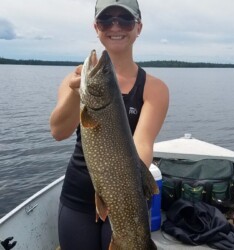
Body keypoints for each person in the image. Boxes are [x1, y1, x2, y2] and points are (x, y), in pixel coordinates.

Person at [49, 0, 169, 249]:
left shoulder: (155, 88)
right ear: (96, 27)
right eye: (106, 20)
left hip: (127, 198)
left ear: (138, 27)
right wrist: (75, 92)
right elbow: (58, 131)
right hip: (78, 194)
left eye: (125, 19)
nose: (116, 26)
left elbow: (143, 144)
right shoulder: (75, 80)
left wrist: (121, 188)